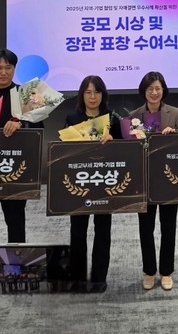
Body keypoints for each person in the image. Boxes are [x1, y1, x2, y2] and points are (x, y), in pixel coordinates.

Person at [0, 48, 43, 295]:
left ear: (14, 69)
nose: (3, 72)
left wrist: (21, 123)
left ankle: (16, 276)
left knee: (16, 226)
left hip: (15, 173)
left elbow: (39, 127)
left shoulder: (25, 95)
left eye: (8, 67)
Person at [130, 71, 178, 291]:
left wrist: (174, 135)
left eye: (158, 88)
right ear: (143, 91)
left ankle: (166, 271)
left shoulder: (174, 113)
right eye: (150, 88)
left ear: (163, 90)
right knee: (146, 228)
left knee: (168, 227)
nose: (154, 92)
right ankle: (149, 271)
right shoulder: (134, 116)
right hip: (144, 180)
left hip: (169, 178)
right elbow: (130, 150)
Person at [64, 75, 117, 293]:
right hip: (79, 184)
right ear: (82, 95)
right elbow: (63, 152)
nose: (92, 96)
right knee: (77, 232)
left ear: (103, 94)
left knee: (103, 232)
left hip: (105, 184)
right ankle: (77, 276)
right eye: (88, 92)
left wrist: (114, 140)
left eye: (96, 92)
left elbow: (125, 150)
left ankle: (98, 278)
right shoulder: (72, 118)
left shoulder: (112, 118)